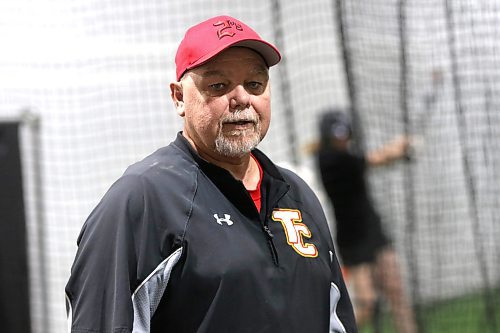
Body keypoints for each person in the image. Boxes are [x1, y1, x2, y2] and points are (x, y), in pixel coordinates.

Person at [65, 15, 357, 333]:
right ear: (179, 98)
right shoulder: (141, 199)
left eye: (254, 84)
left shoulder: (297, 194)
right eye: (219, 85)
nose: (242, 99)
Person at [314, 110, 418, 333]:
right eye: (337, 136)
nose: (342, 140)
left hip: (373, 229)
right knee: (367, 303)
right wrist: (399, 148)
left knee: (396, 291)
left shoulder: (347, 155)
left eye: (344, 135)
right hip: (353, 238)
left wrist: (398, 151)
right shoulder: (330, 159)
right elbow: (376, 159)